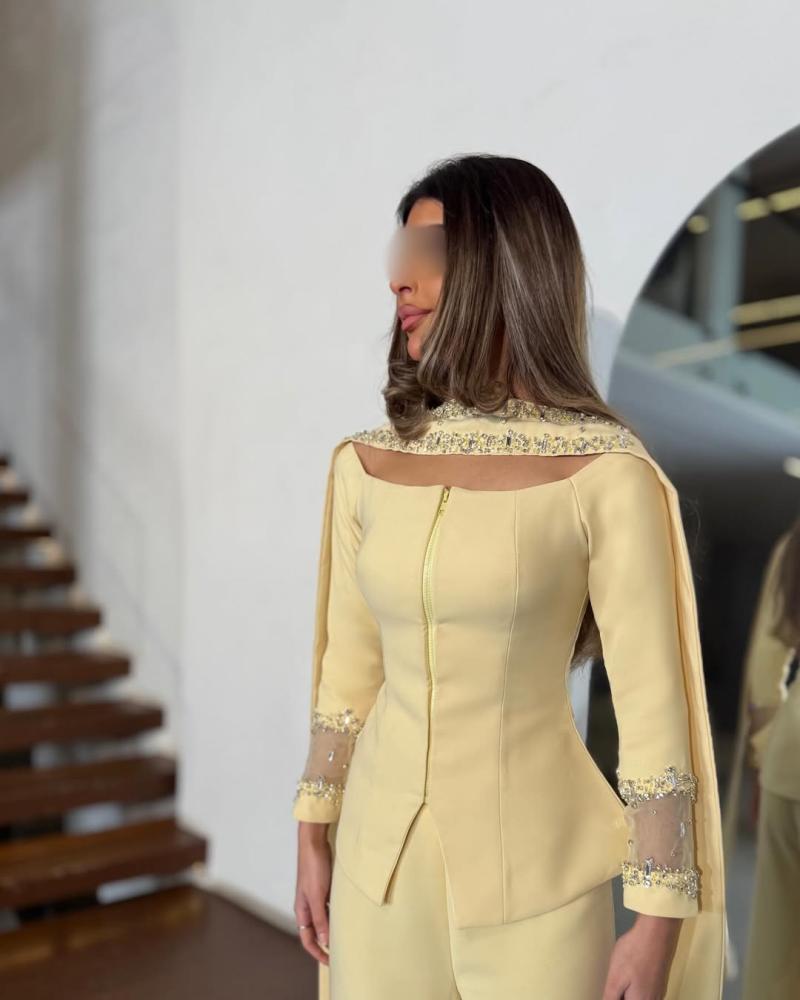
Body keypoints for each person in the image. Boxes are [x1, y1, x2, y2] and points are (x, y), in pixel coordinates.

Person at [291, 154, 726, 999]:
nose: (399, 281)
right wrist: (314, 833)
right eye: (399, 254)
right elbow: (347, 675)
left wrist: (656, 925)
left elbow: (653, 715)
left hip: (541, 891)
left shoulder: (609, 475)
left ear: (505, 264)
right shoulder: (363, 466)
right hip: (376, 876)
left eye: (428, 253)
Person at [722, 518, 800, 999]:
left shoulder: (794, 542)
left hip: (788, 758)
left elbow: (765, 665)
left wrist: (764, 755)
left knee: (776, 940)